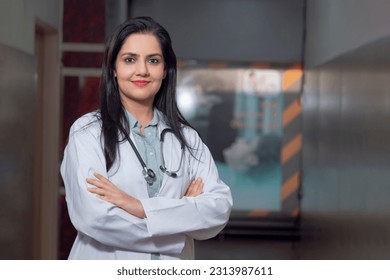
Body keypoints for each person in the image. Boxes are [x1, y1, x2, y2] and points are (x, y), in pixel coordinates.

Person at [60, 16, 233, 260]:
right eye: (130, 59)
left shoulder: (187, 139)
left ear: (164, 71)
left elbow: (217, 210)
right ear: (114, 69)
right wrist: (179, 225)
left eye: (153, 60)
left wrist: (137, 206)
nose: (142, 70)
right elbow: (95, 218)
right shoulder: (88, 132)